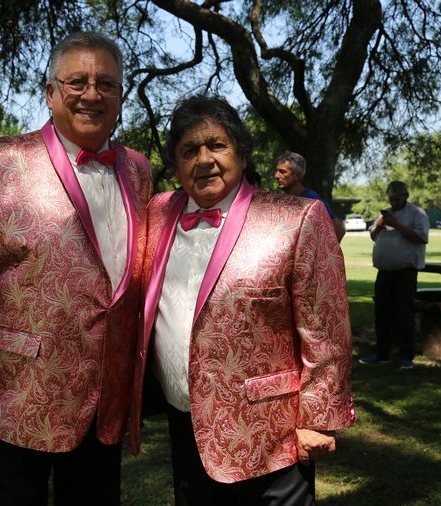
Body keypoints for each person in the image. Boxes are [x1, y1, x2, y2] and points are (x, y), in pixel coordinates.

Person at [0, 31, 152, 505]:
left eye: (106, 84)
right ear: (50, 93)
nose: (92, 94)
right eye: (77, 82)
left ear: (120, 96)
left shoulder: (137, 169)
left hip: (104, 397)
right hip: (17, 392)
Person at [129, 96, 355, 506]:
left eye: (217, 145)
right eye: (189, 150)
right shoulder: (157, 213)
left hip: (270, 432)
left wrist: (319, 419)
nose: (204, 160)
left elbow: (326, 328)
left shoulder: (297, 218)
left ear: (242, 154)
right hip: (185, 421)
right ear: (176, 166)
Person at [359, 181, 429, 370]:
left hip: (405, 273)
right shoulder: (385, 215)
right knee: (382, 313)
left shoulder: (417, 214)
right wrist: (380, 225)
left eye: (397, 199)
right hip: (384, 272)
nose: (393, 202)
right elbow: (373, 236)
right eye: (391, 199)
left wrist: (397, 225)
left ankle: (406, 356)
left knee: (404, 313)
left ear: (406, 196)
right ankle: (382, 353)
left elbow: (422, 238)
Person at [274, 152, 346, 242]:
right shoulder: (282, 200)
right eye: (277, 171)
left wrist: (319, 250)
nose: (276, 176)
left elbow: (339, 230)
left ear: (297, 175)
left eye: (282, 172)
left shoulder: (312, 200)